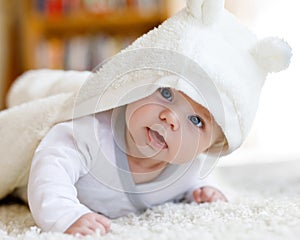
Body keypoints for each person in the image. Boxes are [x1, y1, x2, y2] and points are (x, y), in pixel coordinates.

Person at [26, 0, 292, 236]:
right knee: (36, 93)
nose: (170, 118)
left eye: (197, 121)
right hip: (48, 104)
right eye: (166, 93)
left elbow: (197, 181)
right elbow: (49, 167)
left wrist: (202, 192)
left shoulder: (188, 169)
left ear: (209, 147)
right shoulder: (91, 133)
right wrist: (67, 215)